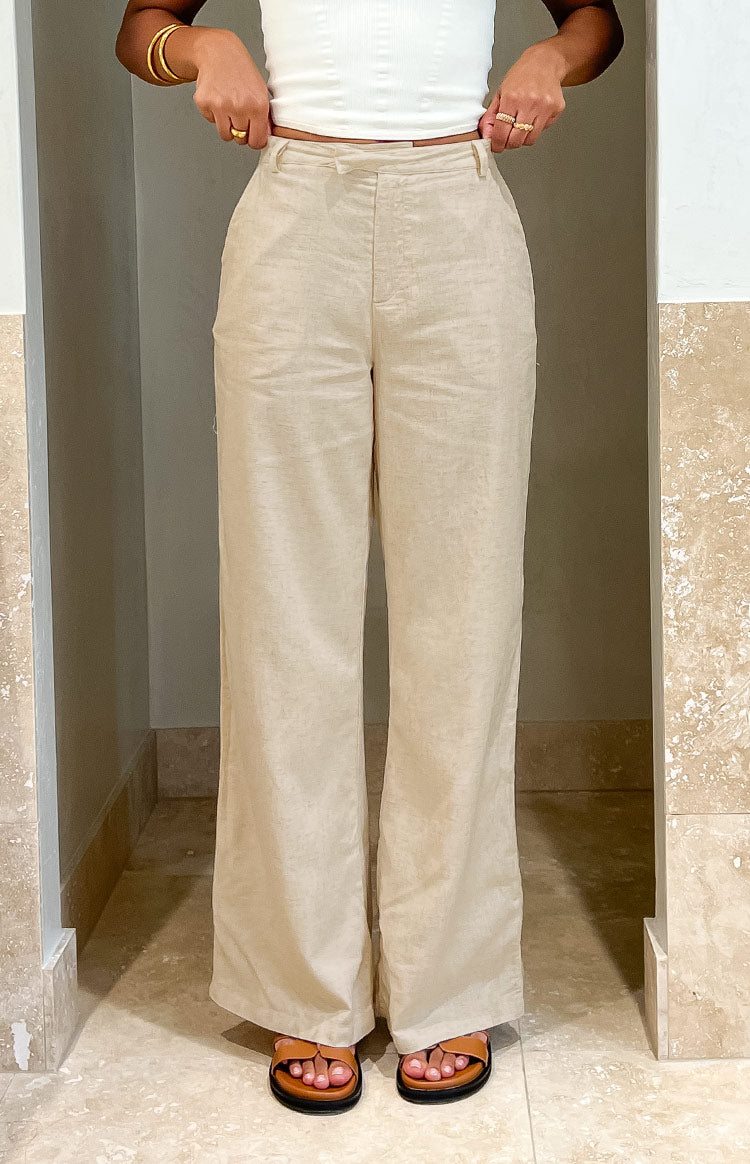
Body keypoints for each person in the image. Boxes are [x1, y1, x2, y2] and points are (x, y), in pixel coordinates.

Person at [116, 0, 623, 1114]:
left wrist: (552, 55)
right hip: (297, 213)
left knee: (464, 618)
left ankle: (450, 983)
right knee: (284, 614)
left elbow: (596, 20)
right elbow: (141, 28)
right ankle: (305, 987)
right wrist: (202, 47)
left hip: (458, 213)